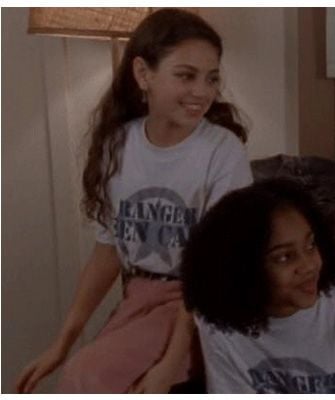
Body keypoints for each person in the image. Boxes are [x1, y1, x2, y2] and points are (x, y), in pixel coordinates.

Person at [15, 8, 252, 394]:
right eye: (186, 75)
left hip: (201, 303)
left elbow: (214, 269)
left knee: (88, 377)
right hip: (140, 298)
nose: (202, 92)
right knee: (81, 372)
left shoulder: (222, 151)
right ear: (143, 74)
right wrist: (62, 343)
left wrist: (169, 364)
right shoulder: (118, 146)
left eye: (211, 78)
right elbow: (108, 251)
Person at [180, 178, 335, 393]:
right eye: (284, 257)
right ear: (243, 269)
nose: (308, 266)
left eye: (311, 245)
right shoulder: (219, 322)